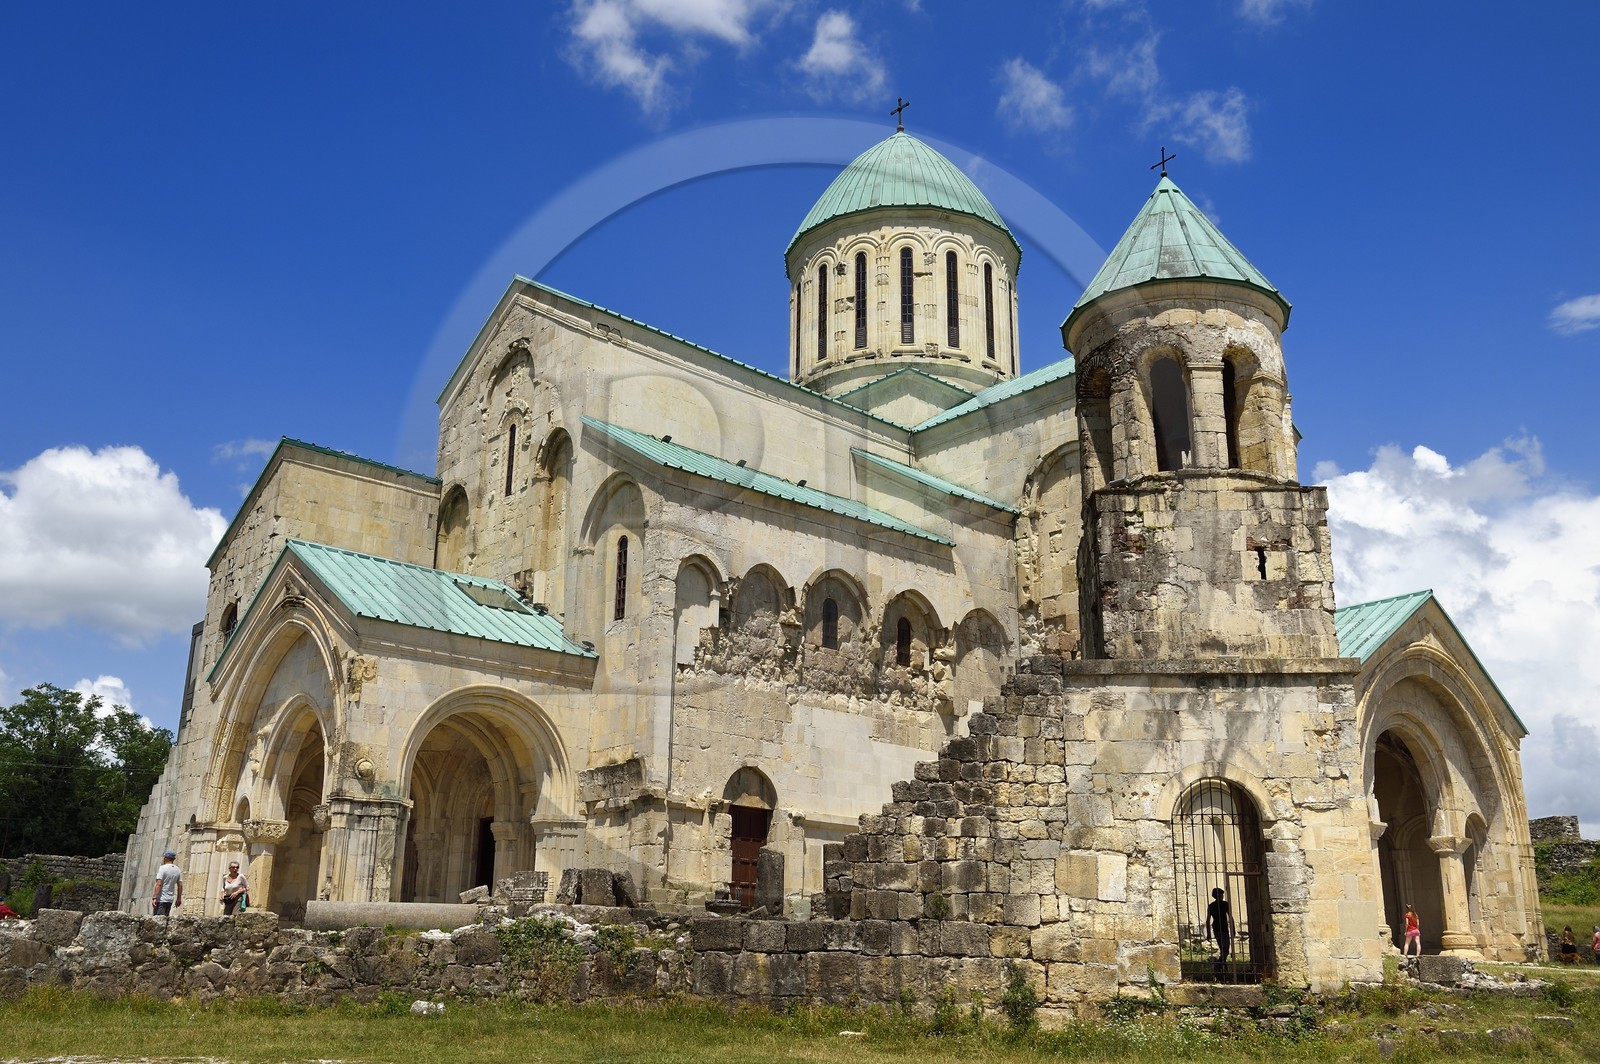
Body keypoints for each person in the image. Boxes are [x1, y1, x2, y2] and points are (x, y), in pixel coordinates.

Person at [1206, 887, 1235, 968]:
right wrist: (1233, 928)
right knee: (1226, 950)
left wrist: (1208, 933)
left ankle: (1223, 968)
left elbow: (1208, 920)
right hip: (1224, 928)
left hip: (1216, 928)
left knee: (1223, 949)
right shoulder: (1225, 904)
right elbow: (1230, 917)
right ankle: (1218, 965)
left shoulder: (1211, 905)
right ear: (1220, 895)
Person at [151, 850, 183, 916]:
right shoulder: (177, 870)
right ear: (174, 859)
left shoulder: (162, 868)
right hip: (170, 899)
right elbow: (180, 885)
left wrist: (155, 897)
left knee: (158, 919)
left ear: (165, 858)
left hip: (161, 899)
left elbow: (159, 884)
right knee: (166, 918)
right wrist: (178, 899)